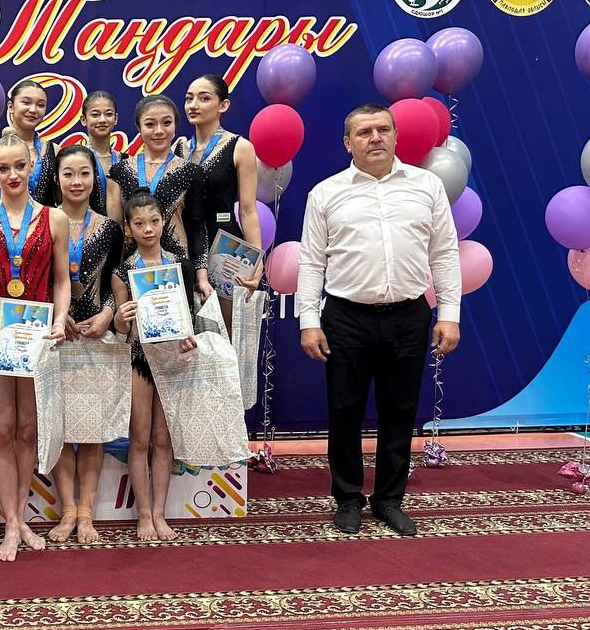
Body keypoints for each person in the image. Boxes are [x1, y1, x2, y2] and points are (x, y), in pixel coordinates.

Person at [297, 103, 461, 537]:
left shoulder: (426, 186)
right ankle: (348, 498)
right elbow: (311, 262)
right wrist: (308, 320)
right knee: (344, 411)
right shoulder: (326, 193)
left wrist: (449, 314)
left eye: (383, 130)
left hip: (409, 315)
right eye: (364, 132)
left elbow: (445, 253)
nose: (375, 138)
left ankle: (389, 500)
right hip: (346, 317)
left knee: (400, 411)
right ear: (347, 143)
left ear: (395, 136)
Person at [0, 128, 71, 561]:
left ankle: (21, 515)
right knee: (3, 427)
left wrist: (61, 319)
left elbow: (62, 280)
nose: (12, 175)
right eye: (4, 168)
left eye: (20, 167)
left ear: (32, 167)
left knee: (28, 428)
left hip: (36, 336)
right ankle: (11, 521)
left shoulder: (55, 219)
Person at [111, 191, 199, 541]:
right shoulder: (123, 271)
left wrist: (188, 338)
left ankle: (160, 513)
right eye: (139, 223)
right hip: (139, 358)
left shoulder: (180, 266)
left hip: (171, 357)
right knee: (140, 437)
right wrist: (121, 317)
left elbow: (187, 316)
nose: (148, 229)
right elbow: (121, 328)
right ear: (128, 227)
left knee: (163, 438)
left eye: (154, 221)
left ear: (164, 223)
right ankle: (143, 515)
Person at [46, 145, 121, 544]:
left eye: (84, 174)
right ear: (57, 178)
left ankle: (87, 513)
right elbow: (39, 279)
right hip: (57, 336)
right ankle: (68, 511)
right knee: (58, 427)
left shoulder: (110, 228)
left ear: (96, 178)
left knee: (93, 429)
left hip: (96, 336)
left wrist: (108, 314)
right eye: (68, 174)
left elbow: (117, 280)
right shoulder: (44, 222)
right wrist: (57, 315)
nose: (77, 182)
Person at [183, 74, 262, 327]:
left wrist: (257, 262)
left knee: (227, 334)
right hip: (188, 246)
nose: (194, 105)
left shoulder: (240, 147)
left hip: (226, 248)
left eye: (204, 98)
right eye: (189, 98)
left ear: (223, 105)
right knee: (191, 335)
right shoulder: (179, 150)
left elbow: (248, 210)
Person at [110, 95, 207, 279]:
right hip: (131, 268)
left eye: (167, 123)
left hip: (177, 268)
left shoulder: (190, 172)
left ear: (175, 125)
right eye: (150, 124)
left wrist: (201, 274)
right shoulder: (120, 171)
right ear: (138, 127)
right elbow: (115, 229)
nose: (159, 131)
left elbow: (197, 226)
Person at [0, 80, 58, 206]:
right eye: (26, 102)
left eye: (40, 105)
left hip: (47, 218)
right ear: (11, 106)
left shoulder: (55, 151)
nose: (33, 110)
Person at [78, 90, 124, 221]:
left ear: (116, 119)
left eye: (108, 114)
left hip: (121, 231)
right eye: (95, 115)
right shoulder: (76, 160)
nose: (102, 120)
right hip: (84, 229)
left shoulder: (126, 161)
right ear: (84, 120)